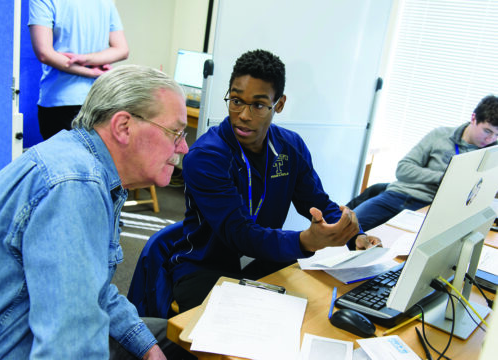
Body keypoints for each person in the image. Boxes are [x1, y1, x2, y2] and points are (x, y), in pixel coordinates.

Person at [0, 65, 193, 359]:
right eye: (175, 132)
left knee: (176, 337)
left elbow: (93, 291)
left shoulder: (84, 166)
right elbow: (69, 346)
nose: (184, 147)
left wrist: (146, 346)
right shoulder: (76, 187)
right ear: (123, 127)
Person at [168, 49, 380, 313]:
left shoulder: (290, 147)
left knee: (316, 312)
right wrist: (306, 241)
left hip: (263, 258)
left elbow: (316, 202)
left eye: (258, 105)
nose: (243, 115)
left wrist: (353, 235)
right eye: (235, 101)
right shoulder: (206, 157)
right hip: (206, 266)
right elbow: (239, 234)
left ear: (278, 104)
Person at [352, 94, 498, 232]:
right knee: (348, 230)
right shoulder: (441, 135)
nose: (490, 139)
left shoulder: (492, 153)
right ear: (473, 118)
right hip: (400, 196)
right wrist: (443, 178)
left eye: (497, 134)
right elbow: (403, 169)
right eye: (487, 131)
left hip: (434, 210)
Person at [29, 0, 129, 140]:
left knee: (60, 160)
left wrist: (87, 67)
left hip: (60, 102)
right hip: (99, 100)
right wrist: (90, 63)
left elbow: (44, 53)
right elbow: (121, 49)